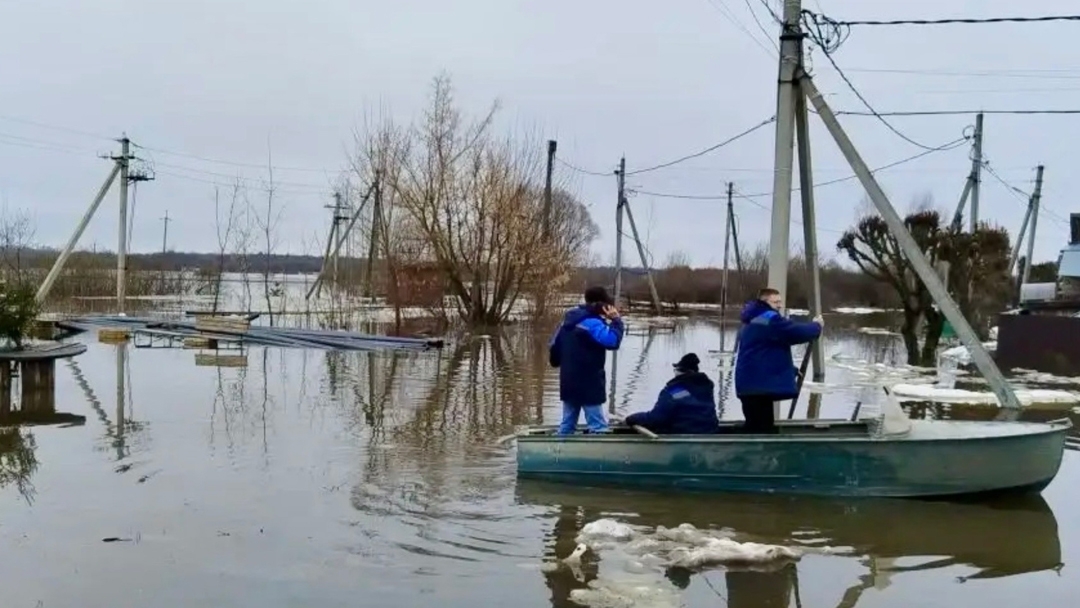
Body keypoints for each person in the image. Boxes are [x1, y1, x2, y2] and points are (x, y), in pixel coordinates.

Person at [734, 288, 823, 434]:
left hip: (751, 385)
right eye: (775, 302)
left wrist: (790, 370)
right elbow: (795, 332)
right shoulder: (768, 319)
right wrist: (816, 327)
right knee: (762, 430)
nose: (779, 305)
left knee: (757, 427)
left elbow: (764, 353)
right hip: (758, 387)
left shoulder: (752, 320)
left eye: (780, 302)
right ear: (764, 302)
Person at [549, 286, 624, 435]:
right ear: (604, 305)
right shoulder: (592, 323)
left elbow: (554, 350)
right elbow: (612, 341)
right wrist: (616, 321)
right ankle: (600, 456)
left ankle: (558, 453)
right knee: (598, 427)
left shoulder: (566, 322)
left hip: (568, 381)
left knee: (567, 425)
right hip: (589, 383)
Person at [621, 353, 720, 434]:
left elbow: (655, 418)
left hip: (684, 434)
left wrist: (631, 419)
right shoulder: (706, 388)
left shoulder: (674, 391)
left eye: (675, 369)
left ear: (680, 371)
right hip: (710, 431)